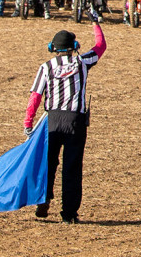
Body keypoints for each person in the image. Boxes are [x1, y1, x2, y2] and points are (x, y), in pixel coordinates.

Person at [25, 20, 106, 223]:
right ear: (75, 47)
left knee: (48, 163)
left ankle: (43, 199)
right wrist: (96, 25)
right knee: (72, 166)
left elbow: (35, 96)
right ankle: (69, 214)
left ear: (52, 48)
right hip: (75, 121)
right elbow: (100, 46)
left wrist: (28, 123)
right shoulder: (82, 62)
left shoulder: (46, 67)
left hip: (52, 120)